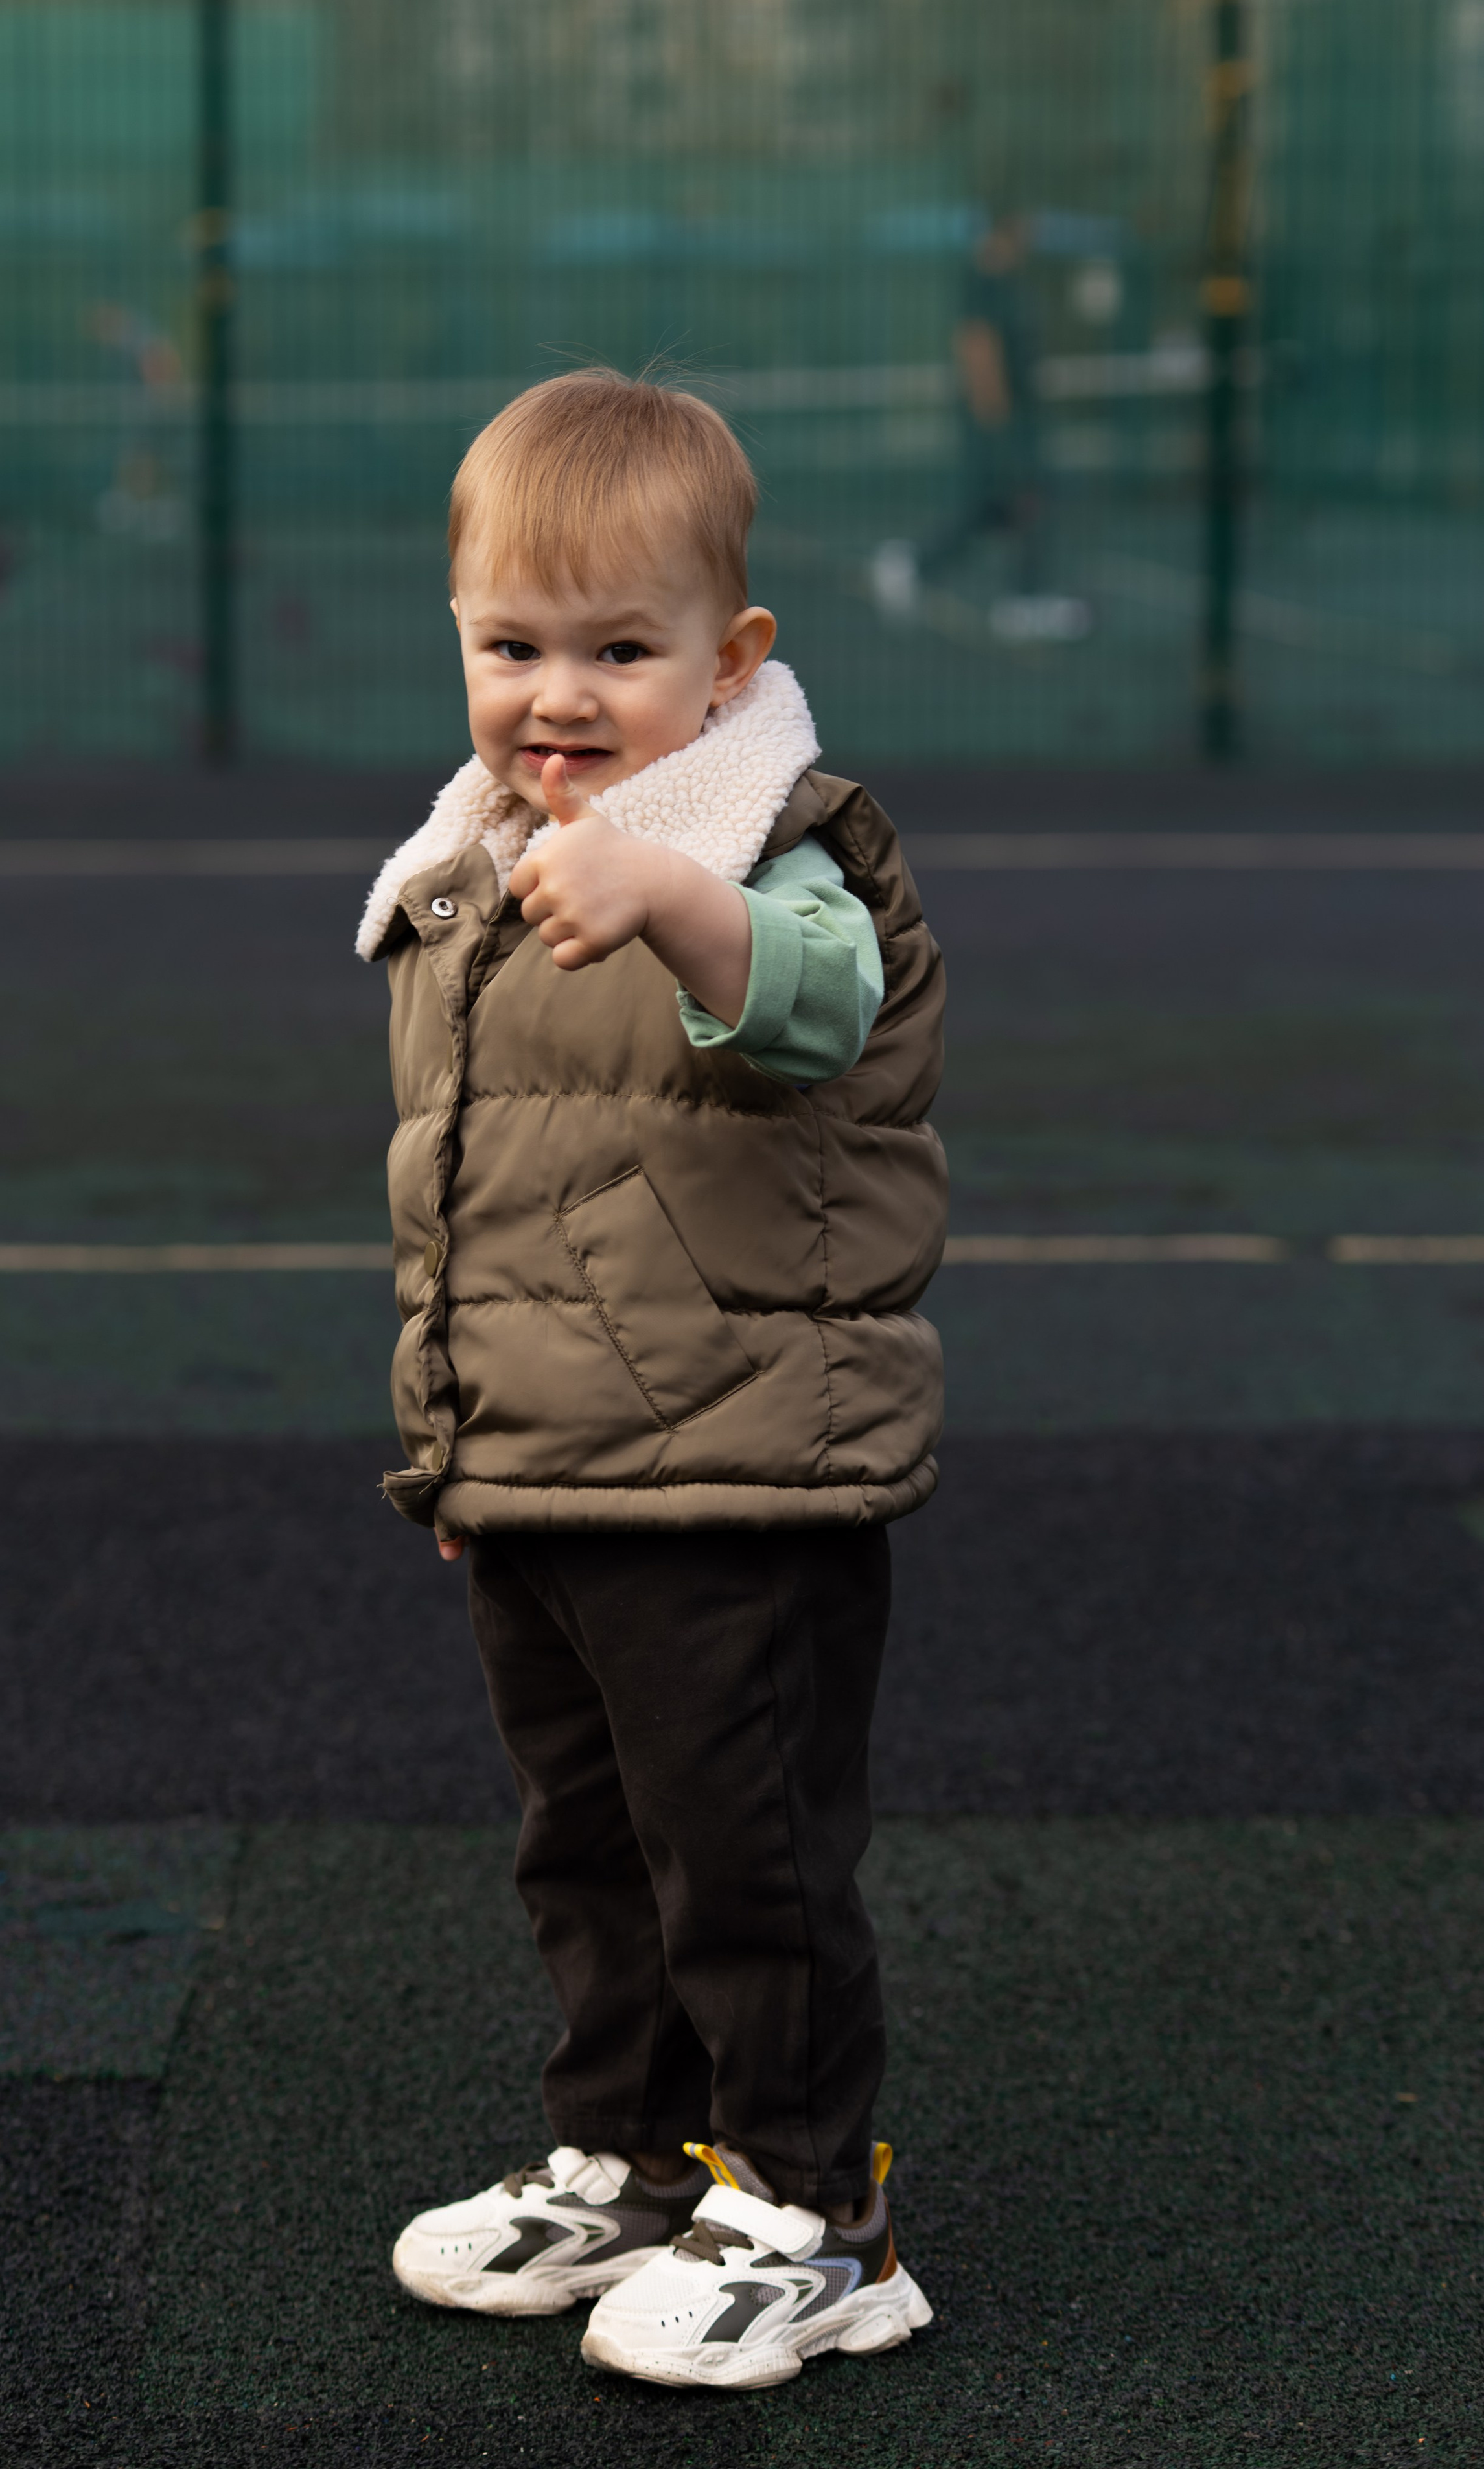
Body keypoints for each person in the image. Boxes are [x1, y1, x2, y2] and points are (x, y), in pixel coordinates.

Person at [356, 370, 945, 2391]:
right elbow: (473, 1203)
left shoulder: (774, 853)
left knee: (746, 1849)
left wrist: (672, 896)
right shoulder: (475, 879)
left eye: (623, 649)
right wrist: (463, 1451)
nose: (561, 694)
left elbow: (810, 1017)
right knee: (583, 1842)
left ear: (731, 658)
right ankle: (626, 2151)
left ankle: (814, 2205)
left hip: (735, 1479)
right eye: (513, 645)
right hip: (550, 1471)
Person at [871, 214, 1089, 642]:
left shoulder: (1010, 283)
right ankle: (1024, 602)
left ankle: (914, 566)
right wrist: (1001, 432)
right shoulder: (983, 285)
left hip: (1018, 425)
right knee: (1025, 501)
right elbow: (979, 356)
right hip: (1003, 429)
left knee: (992, 510)